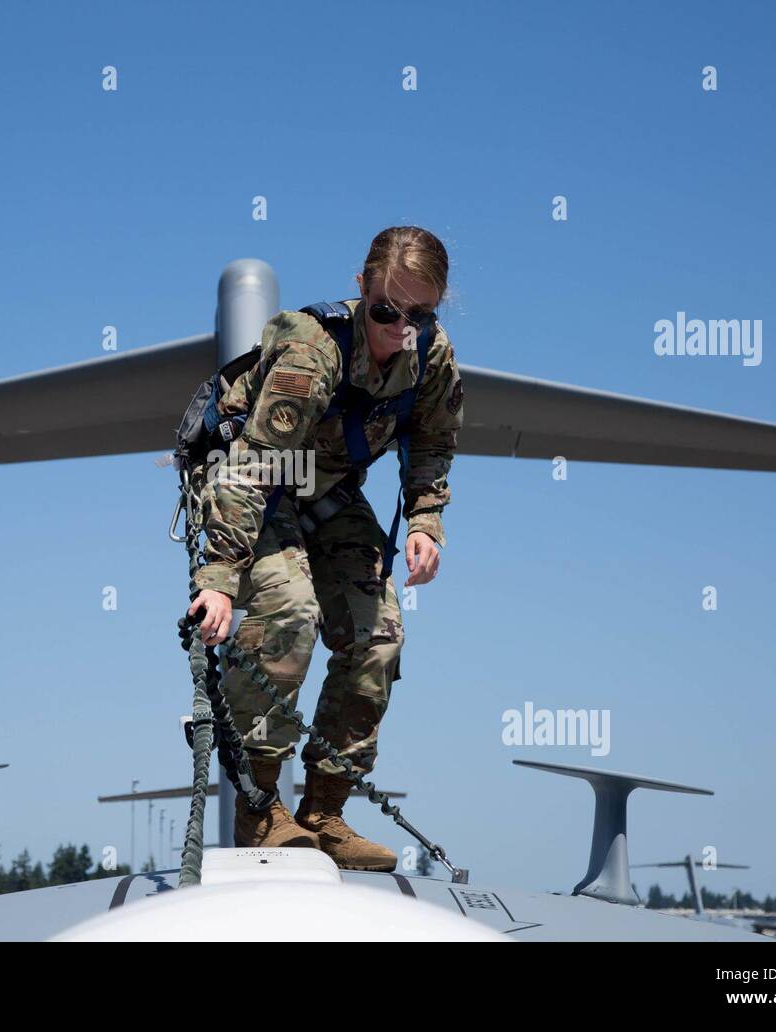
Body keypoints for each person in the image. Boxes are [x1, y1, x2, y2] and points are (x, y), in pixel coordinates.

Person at [185, 226, 464, 871]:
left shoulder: (430, 356)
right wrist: (221, 576)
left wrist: (425, 519)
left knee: (380, 634)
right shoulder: (313, 351)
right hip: (254, 483)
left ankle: (324, 811)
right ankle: (258, 808)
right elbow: (254, 466)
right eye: (388, 311)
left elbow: (432, 442)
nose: (403, 328)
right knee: (289, 610)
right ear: (361, 288)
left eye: (421, 314)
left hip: (329, 490)